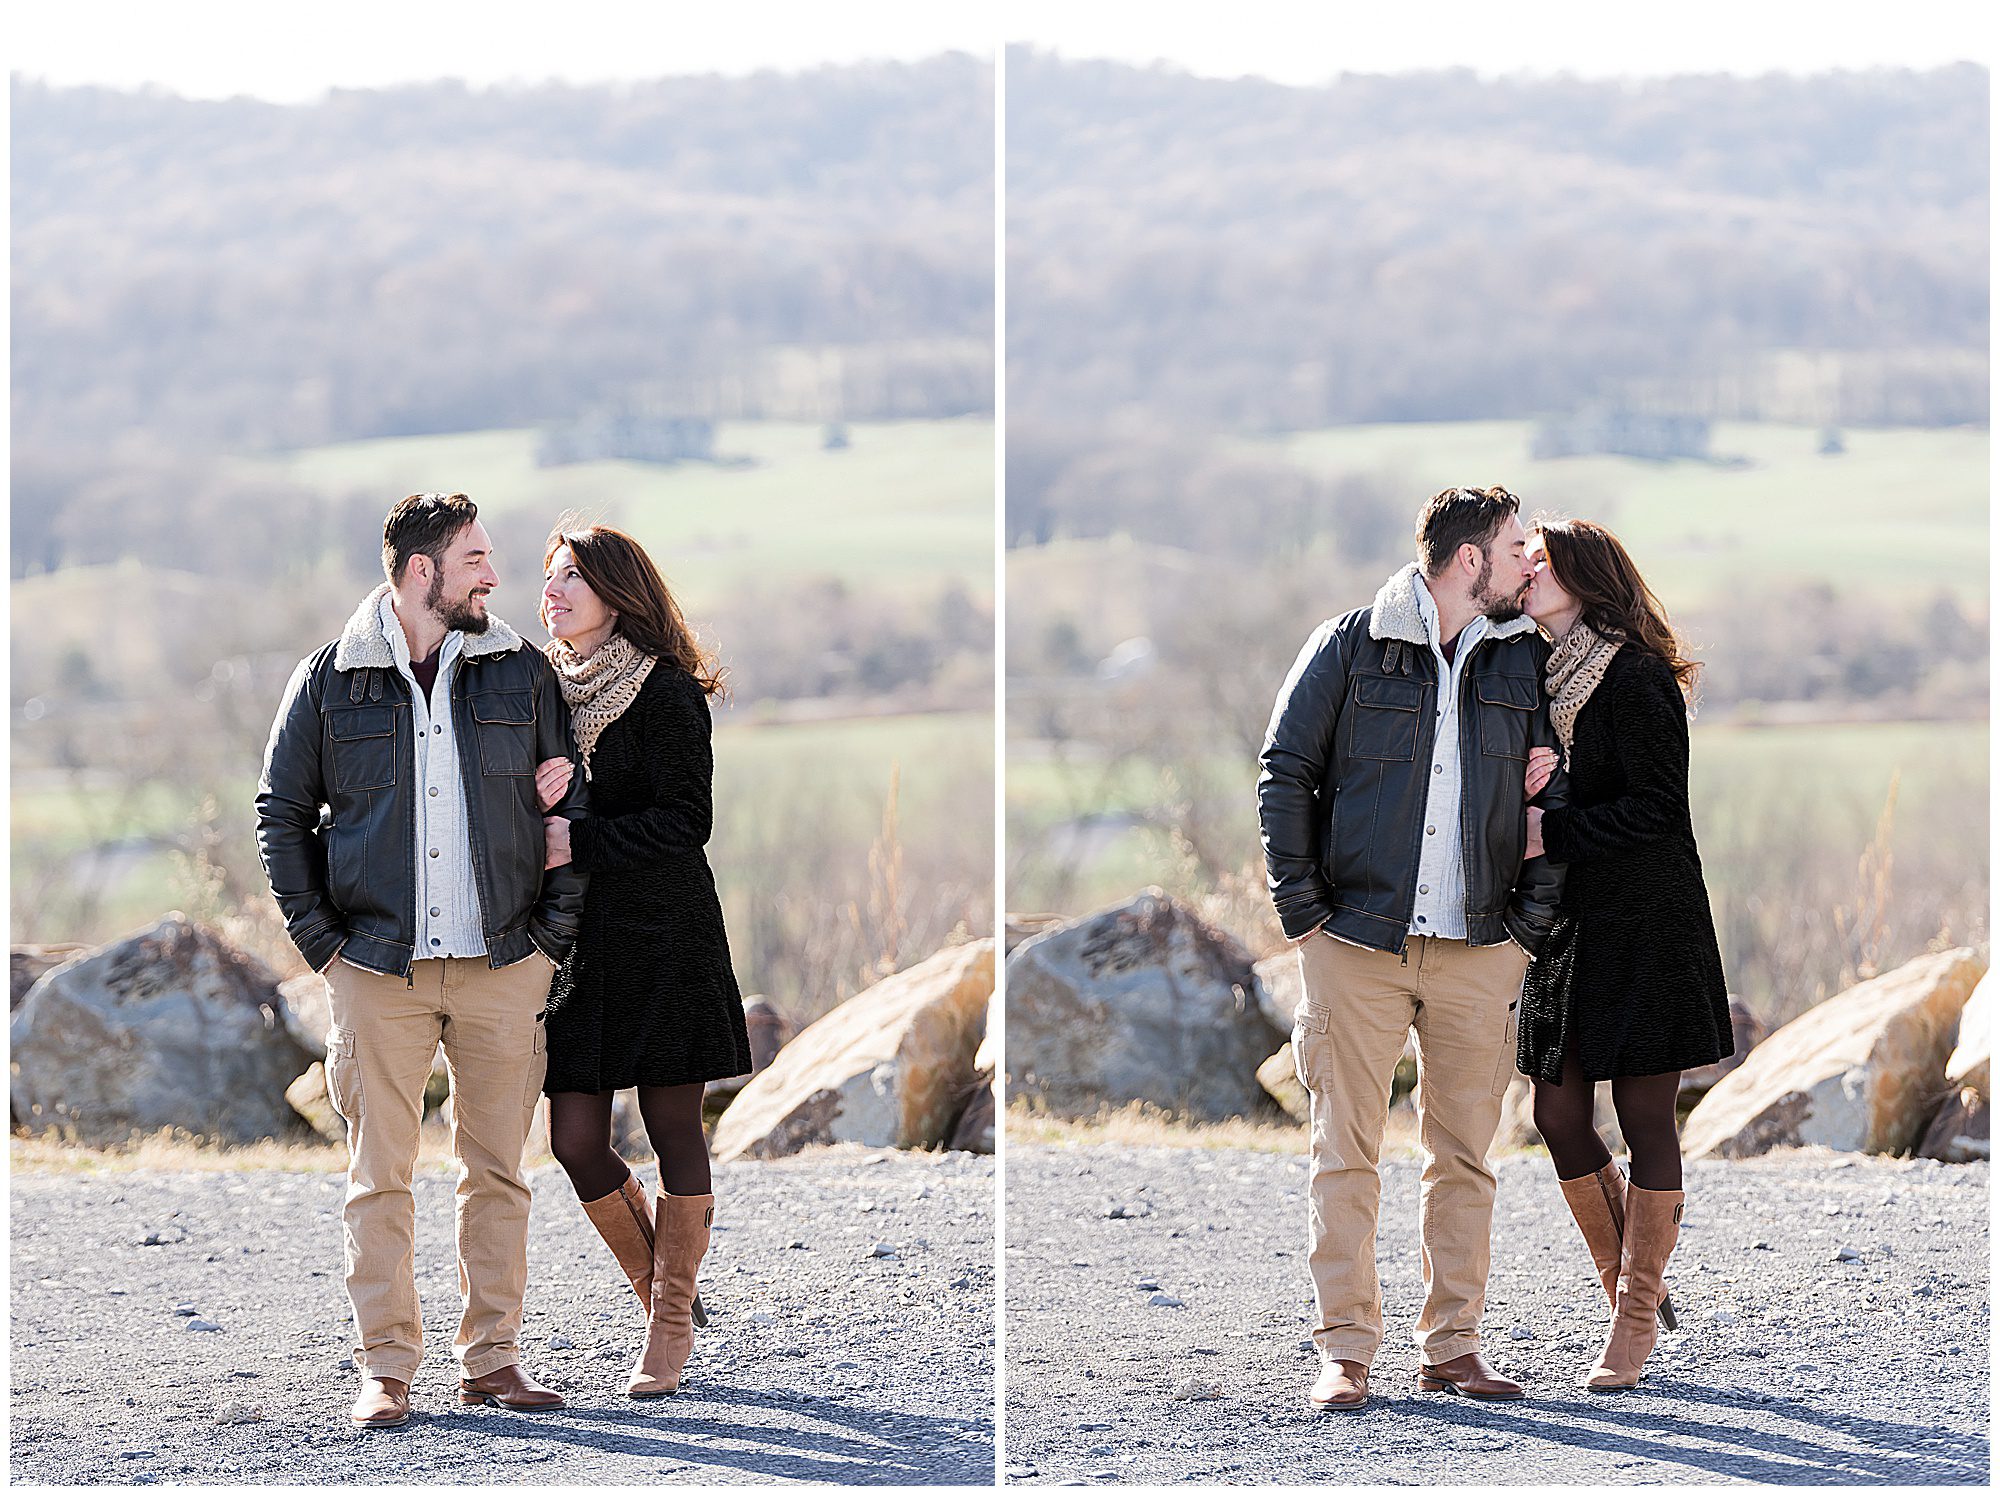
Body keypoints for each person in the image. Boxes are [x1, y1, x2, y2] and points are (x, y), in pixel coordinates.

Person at [256, 493, 587, 1429]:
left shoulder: (521, 673)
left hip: (504, 962)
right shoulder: (328, 680)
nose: (494, 573)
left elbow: (572, 812)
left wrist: (548, 939)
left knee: (499, 1173)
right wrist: (325, 945)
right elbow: (278, 814)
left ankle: (492, 1360)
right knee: (381, 1175)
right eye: (476, 557)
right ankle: (387, 1370)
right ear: (420, 572)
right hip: (376, 970)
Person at [1257, 485, 1569, 1412]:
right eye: (1518, 548)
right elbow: (1285, 771)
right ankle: (1346, 1352)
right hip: (1354, 943)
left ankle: (1452, 1348)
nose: (1530, 563)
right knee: (1344, 1150)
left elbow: (1557, 799)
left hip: (1482, 947)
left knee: (1464, 1156)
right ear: (1469, 559)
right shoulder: (1350, 645)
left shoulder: (1523, 662)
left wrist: (1526, 931)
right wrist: (1303, 911)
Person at [528, 521, 752, 1399]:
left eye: (569, 579)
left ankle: (666, 1326)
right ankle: (665, 1292)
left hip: (665, 935)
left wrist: (573, 832)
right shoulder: (545, 690)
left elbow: (684, 823)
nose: (551, 594)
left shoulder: (664, 693)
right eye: (547, 579)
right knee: (575, 1138)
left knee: (671, 1130)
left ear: (617, 591)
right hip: (580, 942)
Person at [1516, 517, 1732, 1391]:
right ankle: (1625, 1285)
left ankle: (1633, 1317)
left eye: (1537, 561)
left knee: (1647, 1120)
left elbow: (1657, 813)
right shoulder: (1536, 672)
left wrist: (1552, 824)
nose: (1524, 572)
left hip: (1649, 922)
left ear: (1581, 575)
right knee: (1557, 1114)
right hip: (1573, 922)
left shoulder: (1638, 678)